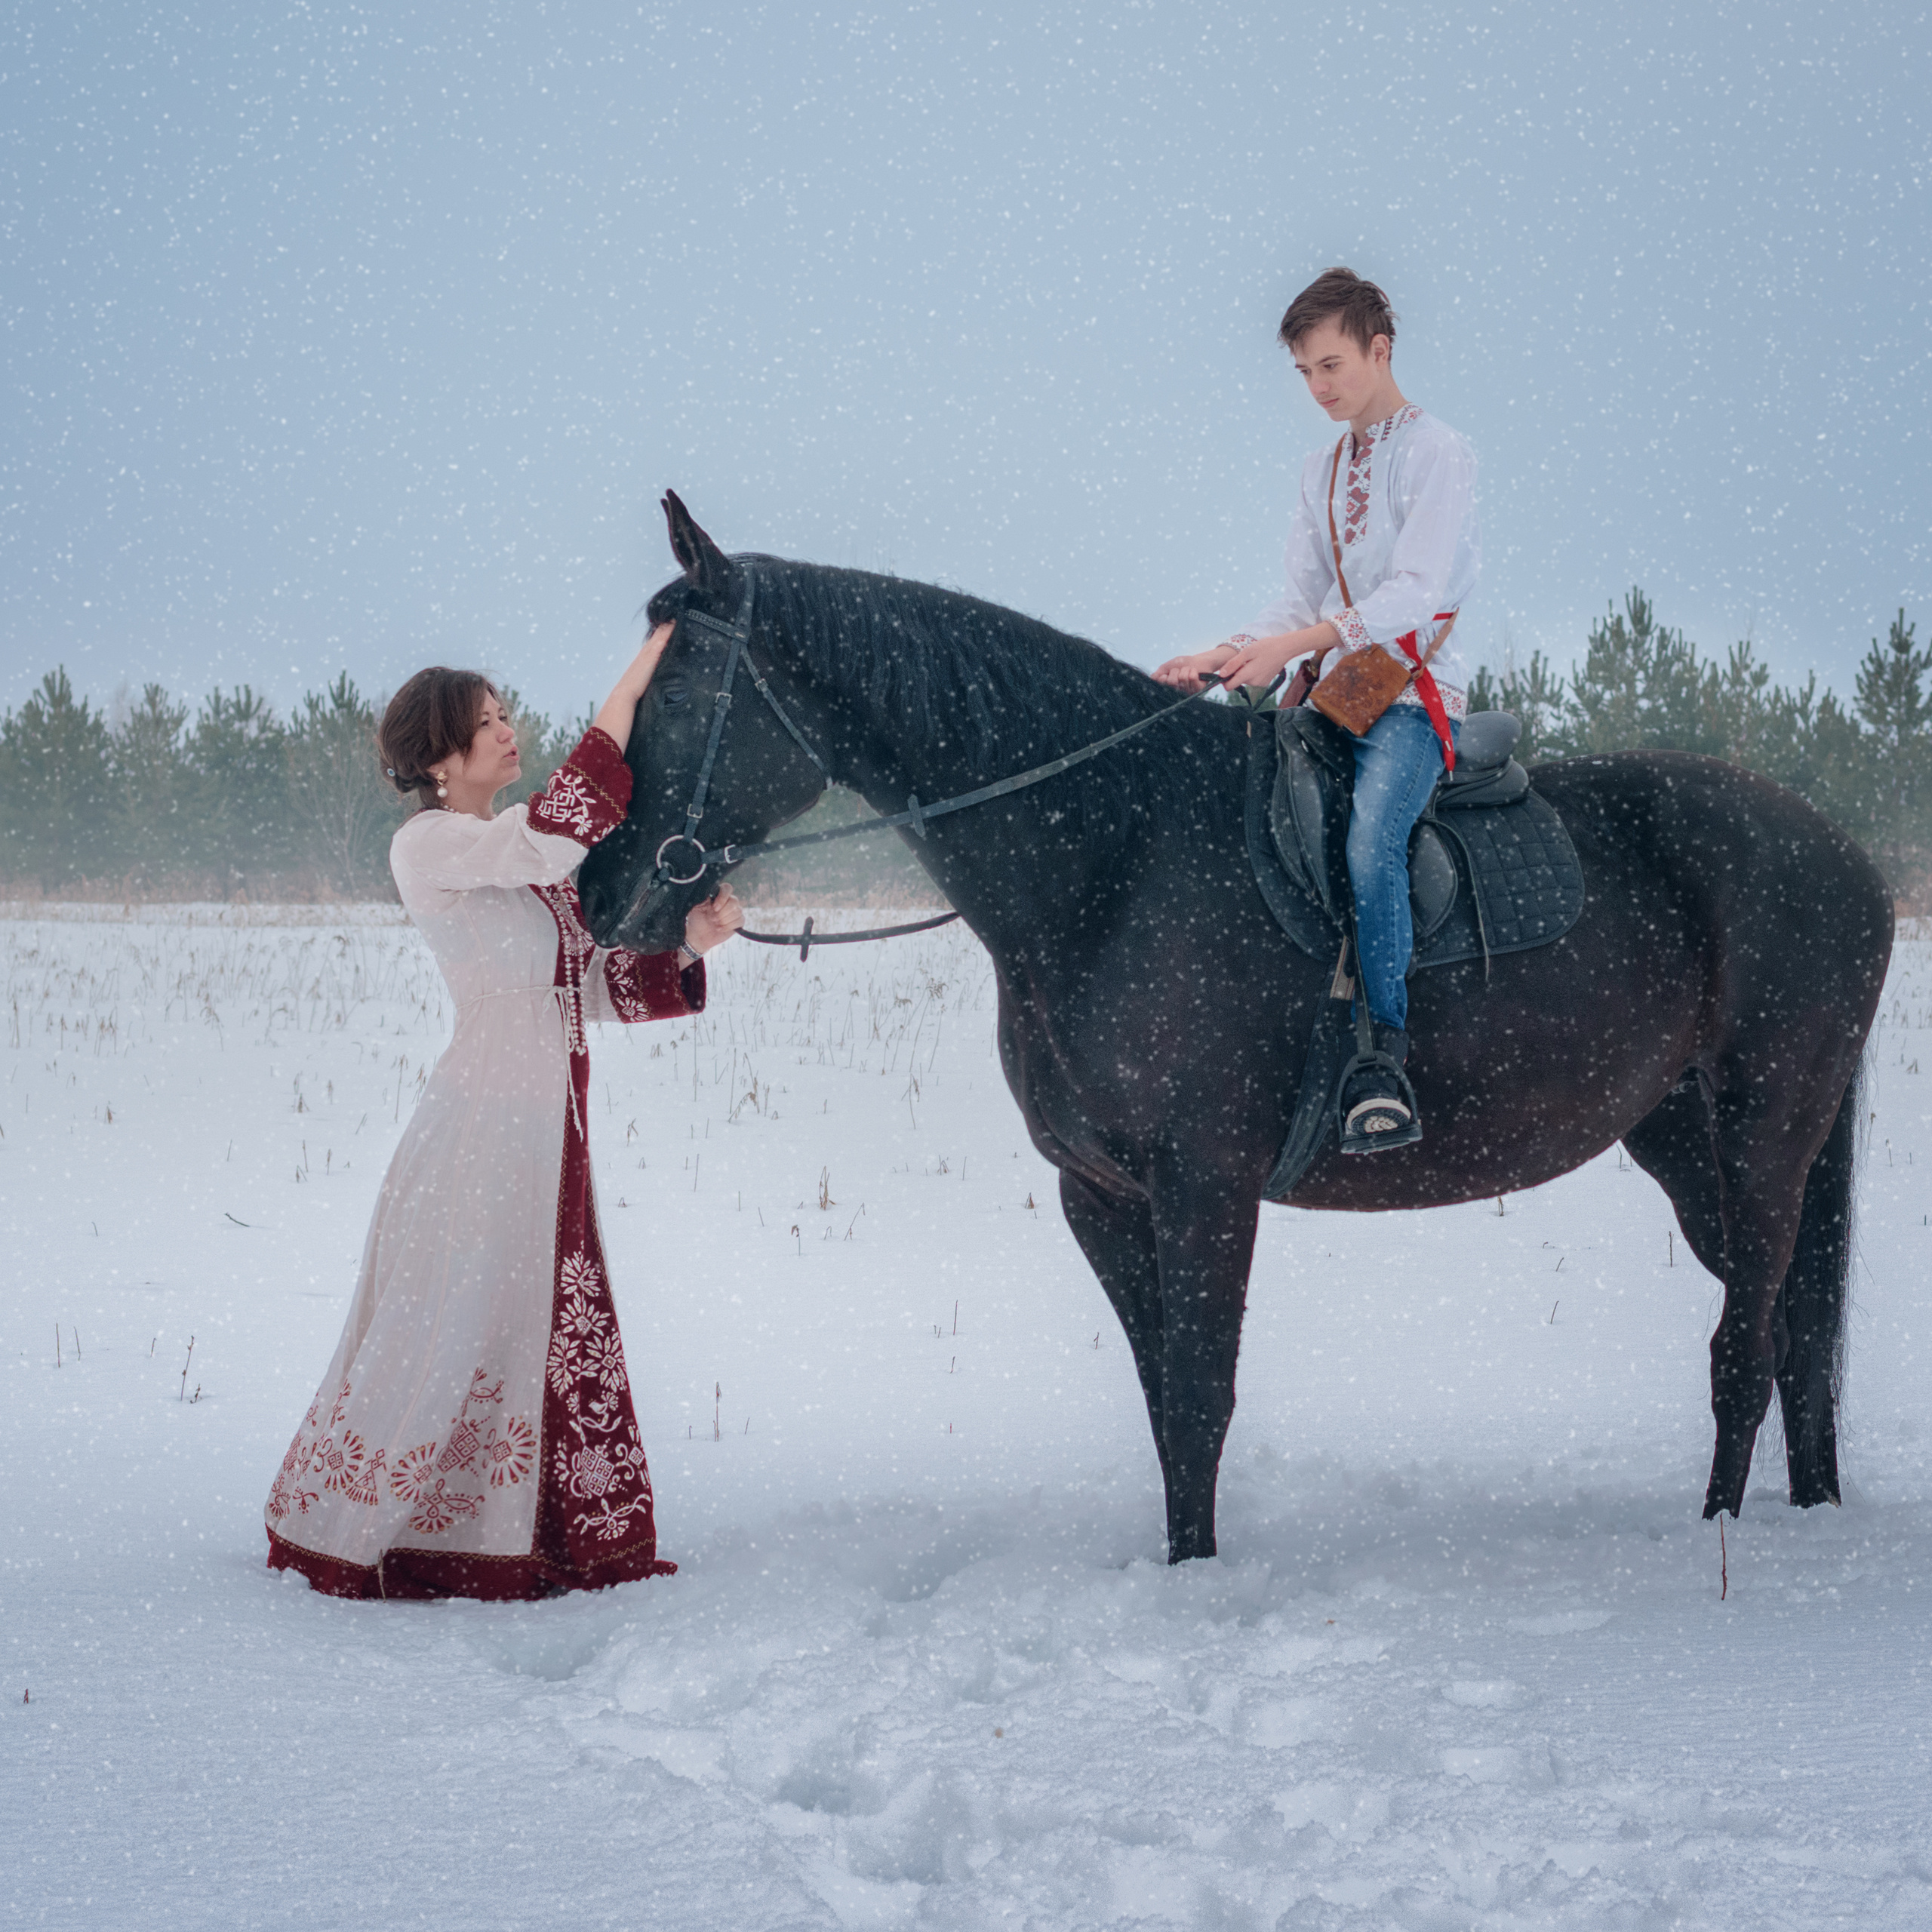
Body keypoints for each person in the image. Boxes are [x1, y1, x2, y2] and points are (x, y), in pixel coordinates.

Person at [265, 627, 742, 1599]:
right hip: (487, 1125)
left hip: (540, 1122)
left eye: (505, 713)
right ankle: (405, 1528)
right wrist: (631, 685)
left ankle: (527, 1527)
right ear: (438, 757)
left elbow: (587, 988)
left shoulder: (519, 863)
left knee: (529, 1317)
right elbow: (553, 831)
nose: (508, 730)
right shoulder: (435, 845)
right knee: (471, 1316)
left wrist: (691, 947)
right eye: (485, 722)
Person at [1155, 266, 1480, 1153]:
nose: (1319, 387)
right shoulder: (1321, 470)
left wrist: (1297, 645)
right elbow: (1294, 599)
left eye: (1332, 364)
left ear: (1381, 350)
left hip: (1408, 696)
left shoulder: (1437, 452)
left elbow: (1418, 593)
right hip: (1331, 697)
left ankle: (1383, 1058)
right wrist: (1221, 655)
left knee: (1371, 837)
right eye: (1305, 373)